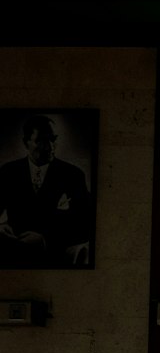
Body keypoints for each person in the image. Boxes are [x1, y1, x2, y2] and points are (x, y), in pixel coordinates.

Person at [0, 114, 92, 267]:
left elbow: (86, 225)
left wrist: (45, 240)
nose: (49, 146)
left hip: (55, 256)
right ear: (26, 142)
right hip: (14, 255)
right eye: (41, 140)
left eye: (53, 139)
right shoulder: (7, 172)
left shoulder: (73, 175)